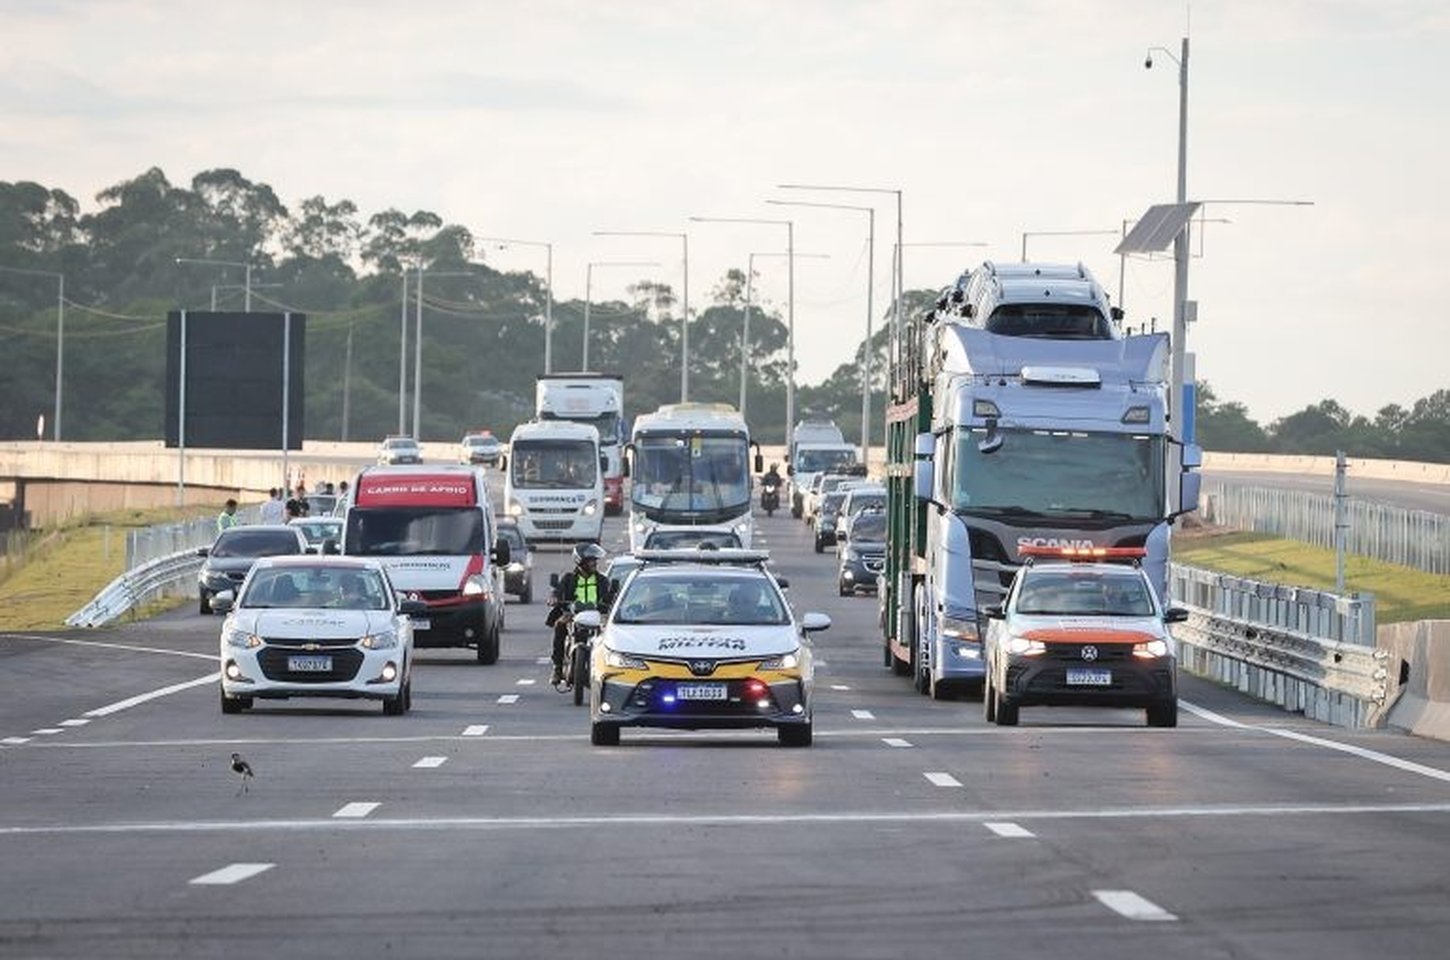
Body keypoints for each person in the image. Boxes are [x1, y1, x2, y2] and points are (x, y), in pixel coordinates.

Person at [546, 542, 613, 685]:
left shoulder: (602, 580)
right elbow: (557, 592)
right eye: (591, 560)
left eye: (595, 560)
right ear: (581, 562)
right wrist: (554, 598)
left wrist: (611, 600)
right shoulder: (569, 578)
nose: (595, 563)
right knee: (559, 625)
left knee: (611, 634)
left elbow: (609, 597)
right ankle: (557, 667)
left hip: (597, 616)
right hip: (573, 615)